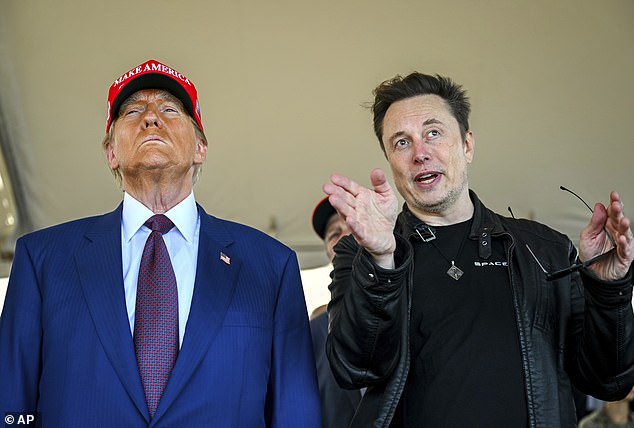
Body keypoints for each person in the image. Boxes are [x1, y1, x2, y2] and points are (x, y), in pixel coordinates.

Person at [0, 59, 321, 427]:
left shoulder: (269, 265)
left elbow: (296, 414)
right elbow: (10, 405)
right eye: (134, 110)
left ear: (200, 147)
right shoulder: (42, 259)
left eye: (169, 109)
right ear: (111, 153)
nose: (151, 118)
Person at [323, 72, 634, 427]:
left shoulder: (546, 249)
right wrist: (380, 260)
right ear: (389, 160)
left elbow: (609, 380)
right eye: (401, 142)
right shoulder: (361, 255)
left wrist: (608, 289)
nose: (420, 153)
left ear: (467, 145)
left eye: (433, 133)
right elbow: (355, 368)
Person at [310, 196, 362, 428]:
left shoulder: (413, 306)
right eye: (334, 233)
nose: (345, 237)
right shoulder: (314, 331)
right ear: (329, 252)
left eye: (354, 227)